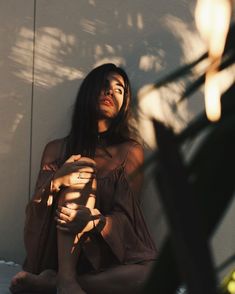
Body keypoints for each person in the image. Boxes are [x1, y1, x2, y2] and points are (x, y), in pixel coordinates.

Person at [10, 63, 157, 294]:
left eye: (119, 90)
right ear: (89, 91)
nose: (110, 91)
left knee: (152, 275)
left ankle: (54, 284)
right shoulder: (56, 149)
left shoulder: (129, 151)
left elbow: (128, 218)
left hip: (103, 254)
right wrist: (58, 180)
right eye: (104, 84)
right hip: (55, 253)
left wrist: (92, 221)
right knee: (82, 168)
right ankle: (66, 278)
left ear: (123, 105)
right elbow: (36, 215)